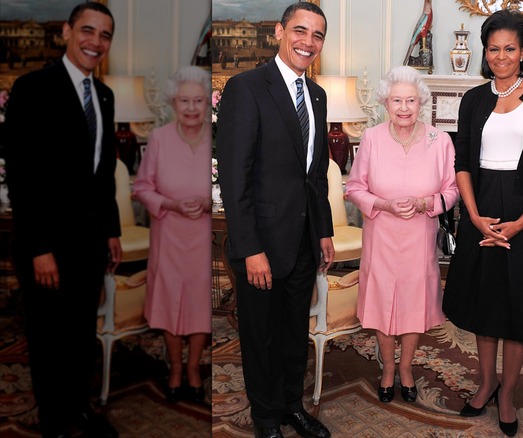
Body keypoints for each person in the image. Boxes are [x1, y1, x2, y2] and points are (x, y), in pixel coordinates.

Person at [441, 9, 523, 437]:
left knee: (520, 309)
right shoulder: (473, 99)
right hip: (483, 210)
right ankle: (486, 382)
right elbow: (462, 164)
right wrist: (474, 216)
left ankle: (508, 392)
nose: (500, 56)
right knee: (485, 304)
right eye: (493, 49)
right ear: (485, 51)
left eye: (509, 48)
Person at [215, 3, 334, 438]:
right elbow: (234, 176)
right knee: (260, 338)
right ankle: (266, 420)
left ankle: (291, 407)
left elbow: (315, 173)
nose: (308, 41)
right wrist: (249, 249)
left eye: (317, 35)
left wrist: (323, 231)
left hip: (303, 241)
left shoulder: (317, 95)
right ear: (280, 32)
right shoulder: (246, 88)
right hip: (260, 245)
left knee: (291, 335)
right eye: (300, 31)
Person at [4, 3, 121, 437]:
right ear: (67, 32)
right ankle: (54, 422)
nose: (95, 41)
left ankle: (79, 409)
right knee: (49, 340)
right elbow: (21, 175)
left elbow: (103, 171)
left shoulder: (104, 96)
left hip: (89, 243)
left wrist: (111, 230)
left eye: (104, 35)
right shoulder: (32, 88)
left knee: (78, 337)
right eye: (87, 31)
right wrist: (38, 248)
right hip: (46, 245)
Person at [345, 65, 458, 404]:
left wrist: (427, 202)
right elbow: (354, 187)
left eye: (411, 100)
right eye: (397, 100)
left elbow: (452, 190)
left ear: (421, 102)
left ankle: (406, 368)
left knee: (413, 303)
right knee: (381, 302)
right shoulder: (372, 138)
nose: (404, 107)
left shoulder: (441, 141)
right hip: (382, 234)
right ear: (385, 103)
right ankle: (388, 368)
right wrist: (385, 205)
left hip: (420, 237)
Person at [133, 66, 212, 404]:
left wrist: (210, 201)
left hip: (203, 239)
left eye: (198, 100)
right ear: (172, 103)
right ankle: (175, 368)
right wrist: (171, 204)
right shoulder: (160, 138)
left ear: (208, 102)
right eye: (184, 100)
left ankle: (193, 368)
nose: (191, 107)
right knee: (169, 303)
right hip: (169, 235)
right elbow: (142, 188)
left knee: (198, 304)